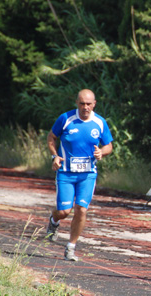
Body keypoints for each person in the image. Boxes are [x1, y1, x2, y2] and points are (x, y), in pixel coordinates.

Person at [45, 89, 113, 262]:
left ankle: (71, 247)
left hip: (87, 175)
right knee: (64, 211)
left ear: (94, 104)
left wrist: (101, 153)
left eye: (89, 104)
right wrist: (55, 156)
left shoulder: (100, 122)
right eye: (82, 103)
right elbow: (51, 137)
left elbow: (109, 146)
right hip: (66, 174)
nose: (85, 107)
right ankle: (54, 219)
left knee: (81, 209)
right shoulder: (65, 119)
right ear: (77, 103)